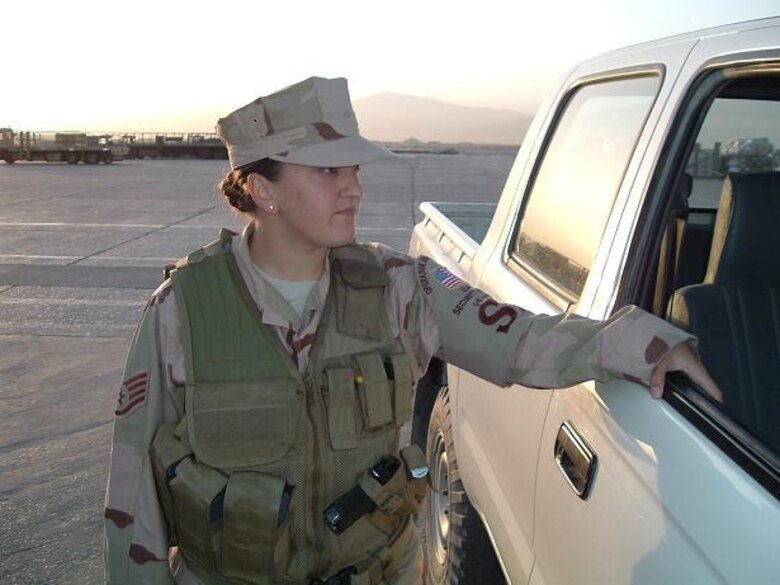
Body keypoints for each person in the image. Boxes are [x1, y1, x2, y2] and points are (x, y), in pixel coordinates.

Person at [103, 76, 720, 585]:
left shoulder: (405, 285)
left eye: (355, 170)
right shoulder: (181, 311)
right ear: (263, 190)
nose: (355, 187)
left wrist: (643, 344)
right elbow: (134, 499)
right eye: (329, 172)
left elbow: (522, 339)